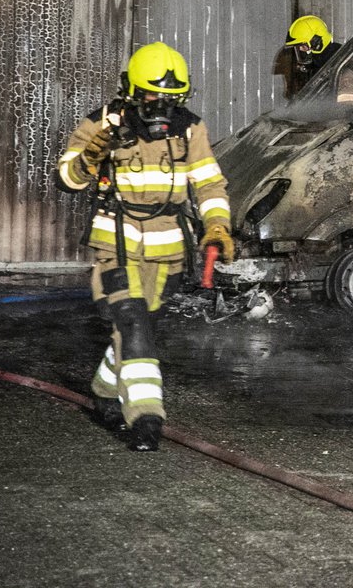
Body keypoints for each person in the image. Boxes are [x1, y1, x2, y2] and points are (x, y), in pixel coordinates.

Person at [56, 41, 233, 452]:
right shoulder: (104, 121)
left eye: (172, 99)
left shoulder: (191, 128)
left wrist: (218, 225)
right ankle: (146, 417)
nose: (162, 107)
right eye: (154, 96)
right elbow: (68, 177)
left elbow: (209, 183)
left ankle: (103, 388)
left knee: (139, 328)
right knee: (132, 321)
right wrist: (89, 159)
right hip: (114, 240)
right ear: (132, 90)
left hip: (168, 247)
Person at [281, 14, 340, 97]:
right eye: (298, 47)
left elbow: (346, 107)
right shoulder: (319, 67)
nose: (301, 50)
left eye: (303, 46)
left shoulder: (340, 65)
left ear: (317, 42)